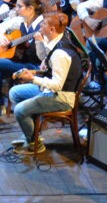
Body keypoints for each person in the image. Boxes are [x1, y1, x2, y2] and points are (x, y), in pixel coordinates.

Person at [8, 12, 83, 156]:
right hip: (51, 91)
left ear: (51, 29)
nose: (40, 26)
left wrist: (33, 79)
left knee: (19, 110)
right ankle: (32, 133)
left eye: (43, 24)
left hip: (61, 97)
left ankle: (34, 143)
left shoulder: (60, 53)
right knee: (15, 92)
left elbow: (57, 85)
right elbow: (44, 58)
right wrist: (39, 42)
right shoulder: (57, 41)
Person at [0, 0, 44, 118]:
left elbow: (43, 56)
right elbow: (1, 27)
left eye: (19, 6)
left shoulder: (43, 25)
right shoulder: (21, 21)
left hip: (36, 66)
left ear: (30, 8)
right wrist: (1, 37)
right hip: (22, 61)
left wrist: (40, 41)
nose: (16, 9)